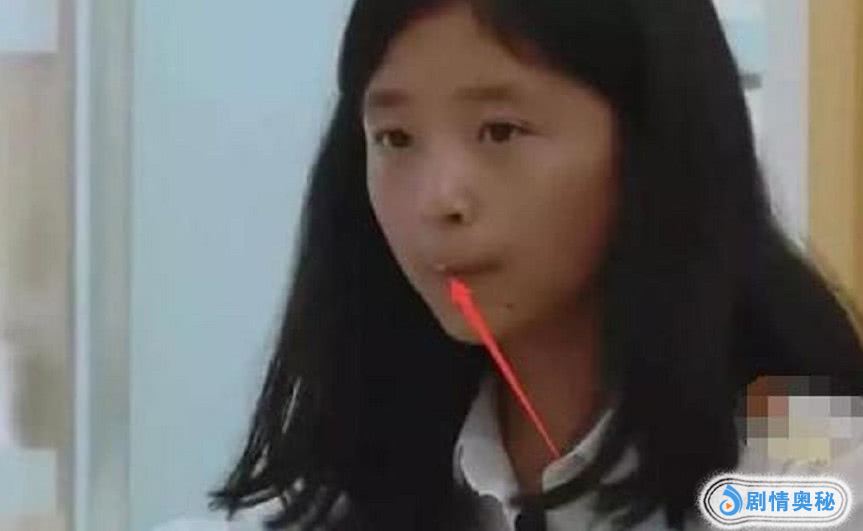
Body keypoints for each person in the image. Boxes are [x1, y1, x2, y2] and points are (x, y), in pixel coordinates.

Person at [208, 0, 863, 529]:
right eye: (395, 138)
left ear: (651, 140)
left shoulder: (809, 473)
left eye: (500, 130)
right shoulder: (365, 476)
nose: (438, 200)